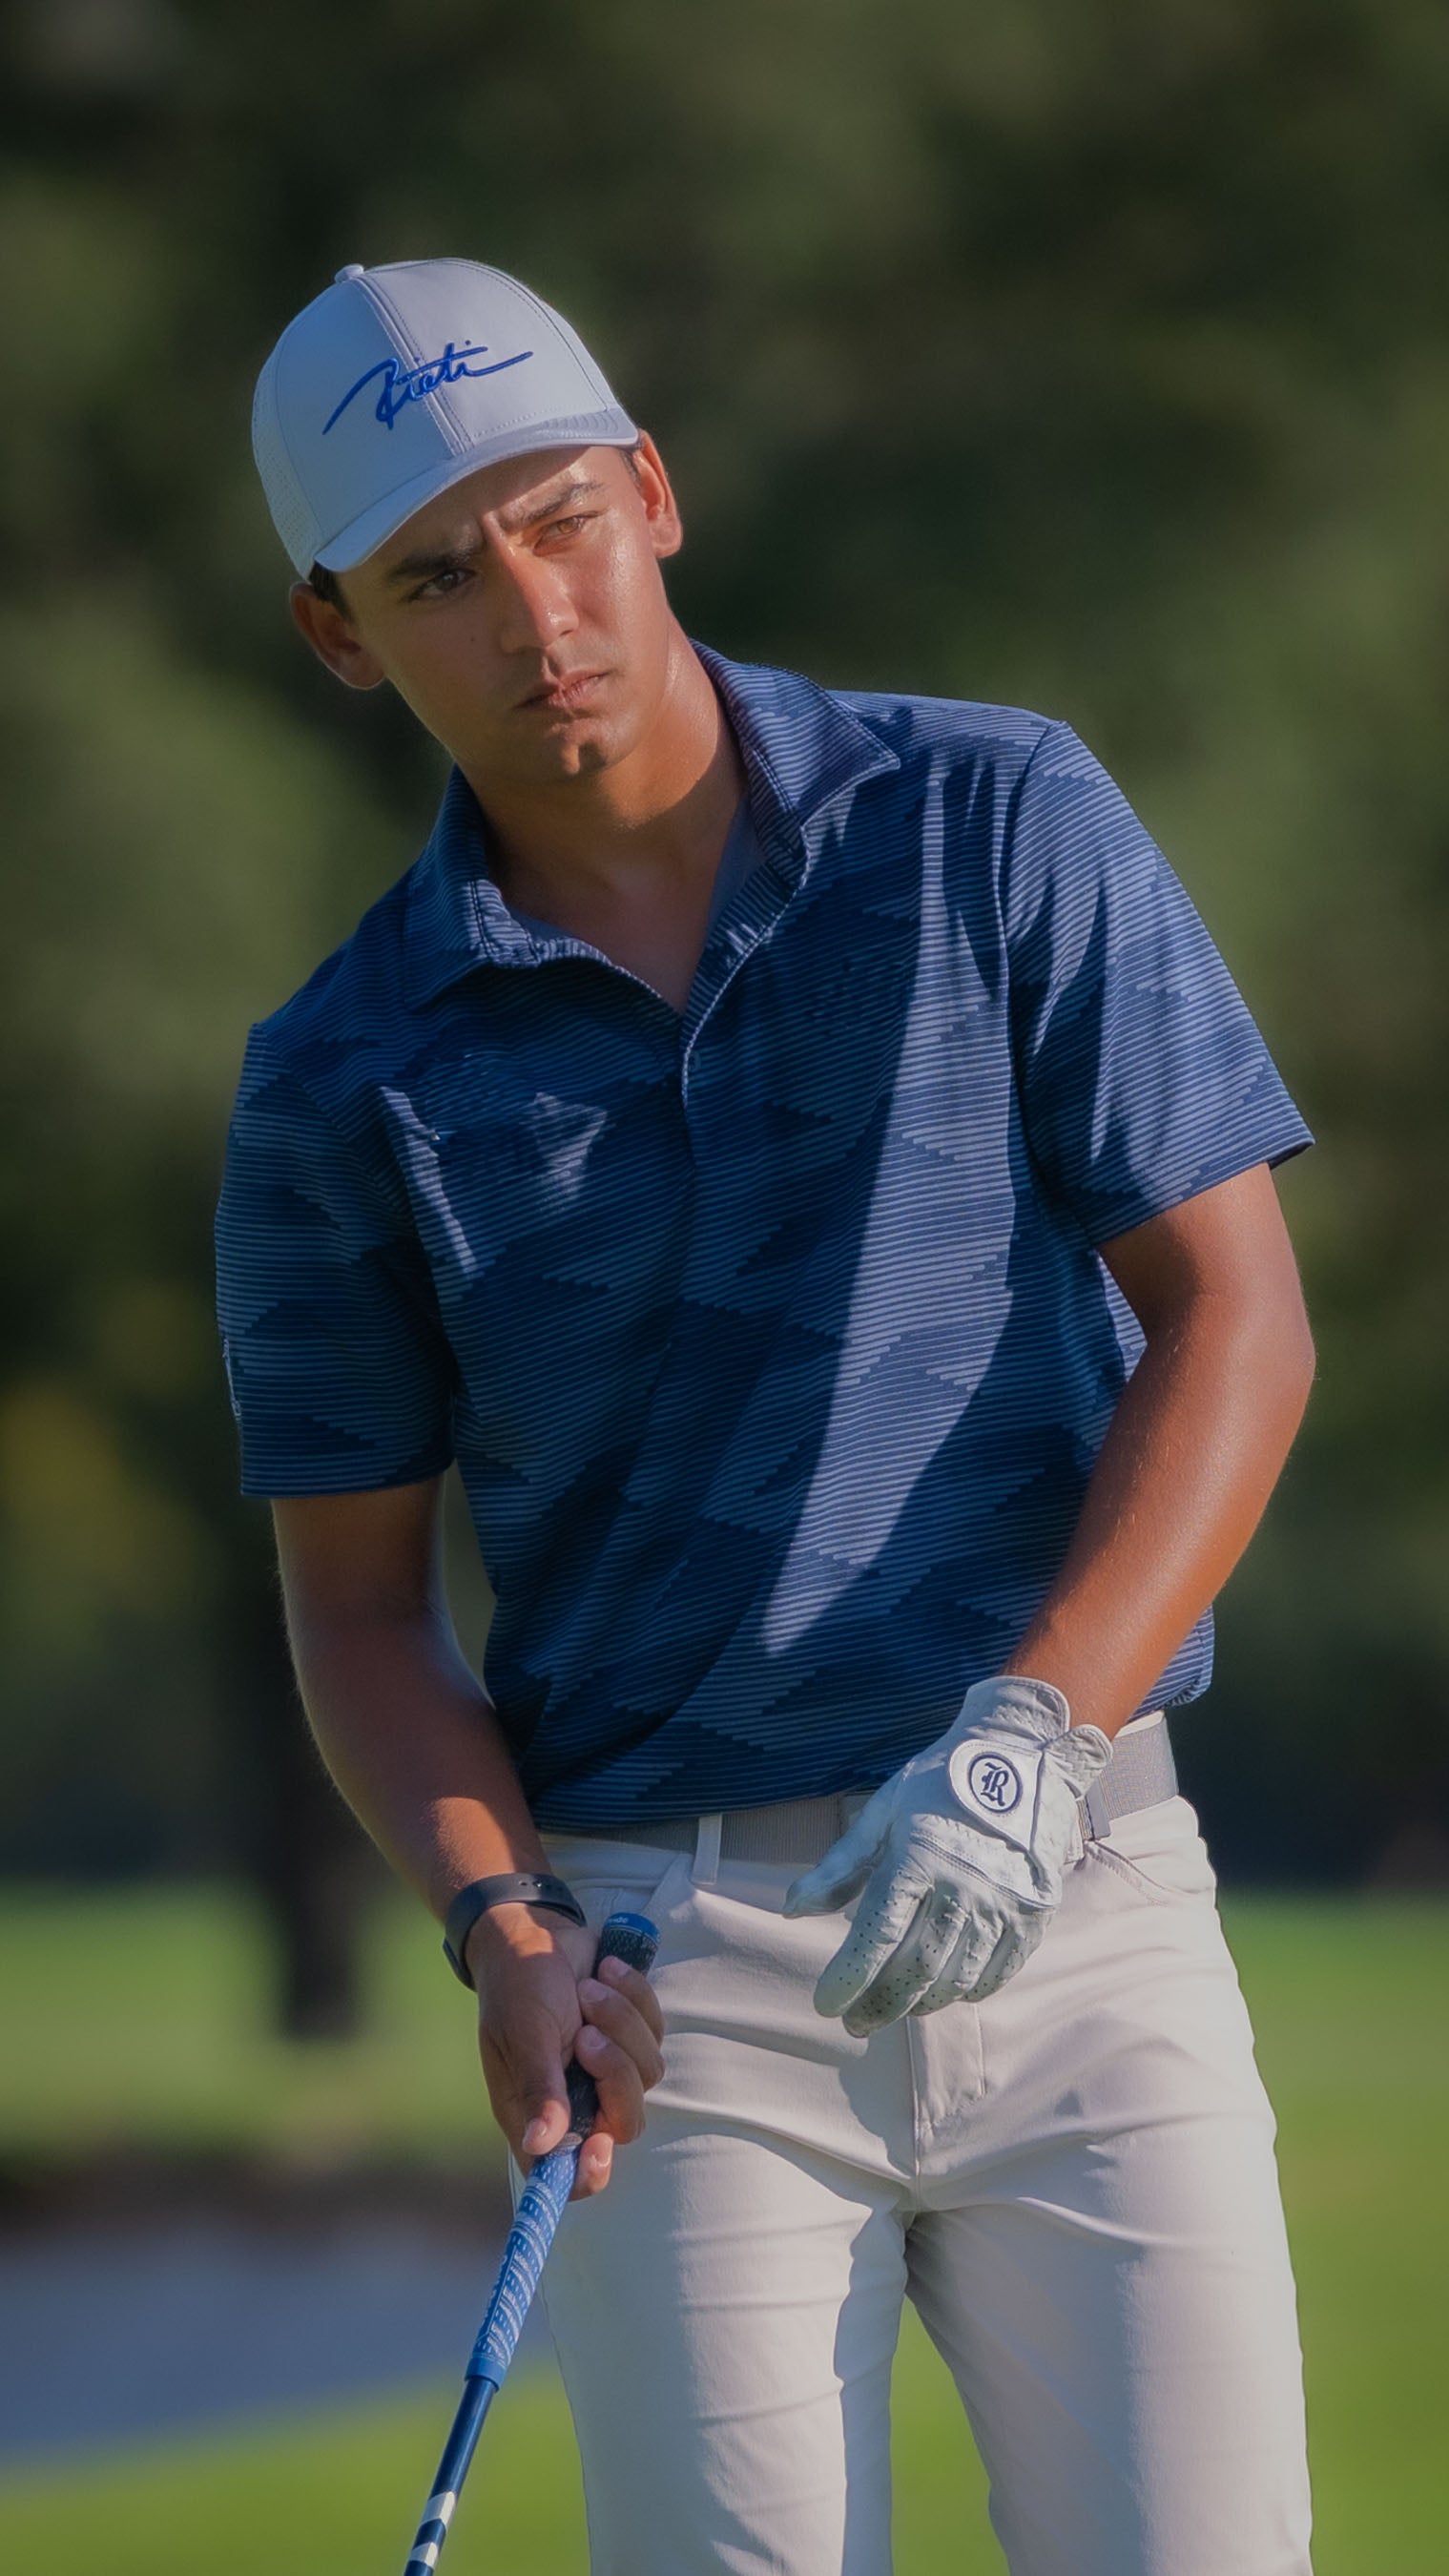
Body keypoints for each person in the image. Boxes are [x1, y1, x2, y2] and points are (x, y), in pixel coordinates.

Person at [217, 257, 1318, 2575]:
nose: (533, 614)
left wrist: (1028, 1736)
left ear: (650, 493)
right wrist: (501, 1922)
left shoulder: (988, 815)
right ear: (341, 635)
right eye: (436, 576)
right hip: (665, 1987)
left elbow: (1234, 1319)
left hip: (1079, 1886)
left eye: (557, 523)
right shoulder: (339, 1079)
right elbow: (360, 1610)